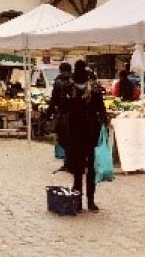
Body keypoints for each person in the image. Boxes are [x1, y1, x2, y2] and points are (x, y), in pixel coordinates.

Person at [53, 61, 107, 213]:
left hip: (75, 132)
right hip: (90, 132)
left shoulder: (69, 88)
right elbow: (101, 109)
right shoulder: (94, 88)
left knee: (78, 169)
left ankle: (78, 202)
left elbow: (63, 108)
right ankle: (90, 202)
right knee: (90, 168)